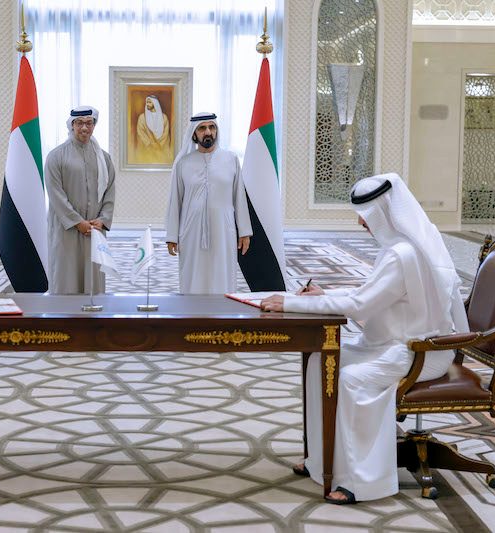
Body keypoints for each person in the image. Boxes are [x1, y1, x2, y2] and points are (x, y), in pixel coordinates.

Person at [260, 173, 469, 504]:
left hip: (420, 350)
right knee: (319, 364)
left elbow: (360, 304)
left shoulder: (403, 254)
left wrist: (291, 302)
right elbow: (368, 296)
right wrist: (321, 296)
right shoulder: (400, 249)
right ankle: (322, 461)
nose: (360, 223)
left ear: (385, 212)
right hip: (392, 343)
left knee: (353, 379)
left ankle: (364, 481)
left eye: (365, 215)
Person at [165, 112, 252, 294]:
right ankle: (191, 317)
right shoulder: (183, 164)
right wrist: (172, 235)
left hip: (223, 230)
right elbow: (175, 201)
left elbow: (239, 198)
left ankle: (222, 318)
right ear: (194, 134)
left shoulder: (231, 159)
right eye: (202, 128)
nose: (208, 132)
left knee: (222, 275)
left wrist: (244, 231)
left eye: (212, 127)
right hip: (191, 231)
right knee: (192, 276)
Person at [45, 106, 116, 294]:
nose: (84, 128)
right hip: (66, 231)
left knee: (94, 282)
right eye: (79, 123)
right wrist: (78, 222)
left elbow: (110, 192)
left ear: (94, 125)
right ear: (72, 125)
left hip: (95, 230)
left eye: (89, 123)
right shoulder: (56, 156)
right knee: (66, 279)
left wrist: (102, 219)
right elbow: (55, 195)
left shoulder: (104, 158)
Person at [135, 95, 171, 163]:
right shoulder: (142, 117)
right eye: (147, 102)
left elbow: (166, 134)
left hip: (161, 150)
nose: (147, 104)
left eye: (149, 102)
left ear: (155, 103)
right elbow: (140, 133)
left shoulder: (164, 117)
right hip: (147, 150)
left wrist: (159, 145)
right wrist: (150, 144)